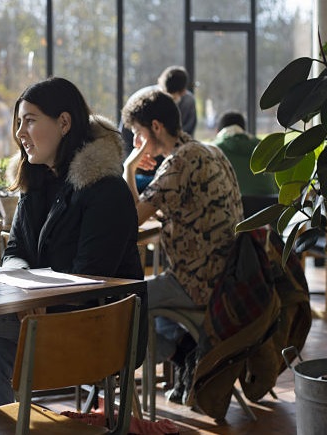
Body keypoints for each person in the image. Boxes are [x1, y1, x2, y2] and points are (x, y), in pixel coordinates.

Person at [0, 77, 143, 411]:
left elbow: (90, 280)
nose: (20, 133)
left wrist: (34, 299)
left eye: (30, 121)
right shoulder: (37, 183)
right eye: (19, 122)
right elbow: (16, 250)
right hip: (41, 318)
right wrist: (21, 288)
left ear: (64, 123)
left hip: (98, 331)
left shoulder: (107, 191)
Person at [121, 88, 242, 404]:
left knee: (124, 303)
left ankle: (183, 352)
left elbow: (129, 221)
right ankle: (188, 353)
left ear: (156, 128)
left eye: (137, 133)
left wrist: (129, 169)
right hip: (228, 276)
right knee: (151, 304)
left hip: (198, 282)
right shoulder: (208, 151)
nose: (135, 142)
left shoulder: (178, 162)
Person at [120, 66, 198, 191]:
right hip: (149, 160)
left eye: (174, 98)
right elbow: (126, 139)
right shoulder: (140, 99)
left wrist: (129, 167)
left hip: (164, 158)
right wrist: (132, 163)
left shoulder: (178, 163)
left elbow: (137, 211)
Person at [211, 111, 278, 197]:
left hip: (235, 207)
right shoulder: (264, 146)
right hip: (269, 207)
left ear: (217, 131)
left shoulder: (213, 150)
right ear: (244, 130)